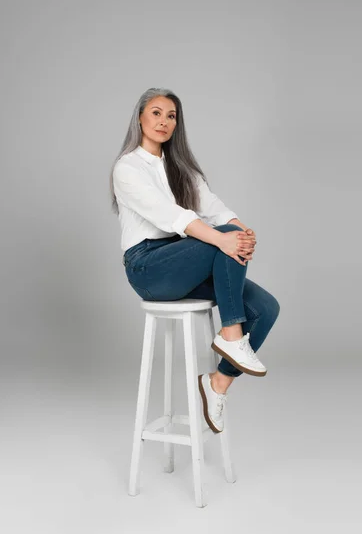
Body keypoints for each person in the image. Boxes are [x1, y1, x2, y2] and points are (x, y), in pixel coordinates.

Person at [110, 87, 280, 434]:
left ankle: (217, 383)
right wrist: (223, 237)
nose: (163, 121)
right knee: (220, 238)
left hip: (185, 259)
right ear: (140, 117)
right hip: (148, 267)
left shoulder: (182, 169)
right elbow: (168, 215)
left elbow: (214, 206)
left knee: (266, 307)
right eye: (156, 113)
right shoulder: (127, 168)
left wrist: (243, 232)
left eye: (171, 116)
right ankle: (232, 333)